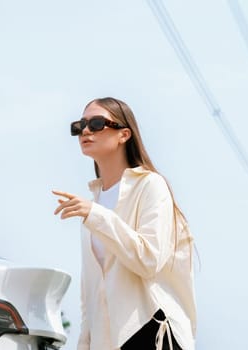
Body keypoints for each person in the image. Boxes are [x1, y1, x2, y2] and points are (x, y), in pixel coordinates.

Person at [53, 97, 197, 350]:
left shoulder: (150, 185)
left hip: (151, 333)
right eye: (79, 126)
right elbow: (91, 295)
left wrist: (95, 215)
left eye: (97, 123)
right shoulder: (92, 204)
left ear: (124, 134)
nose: (85, 131)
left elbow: (148, 260)